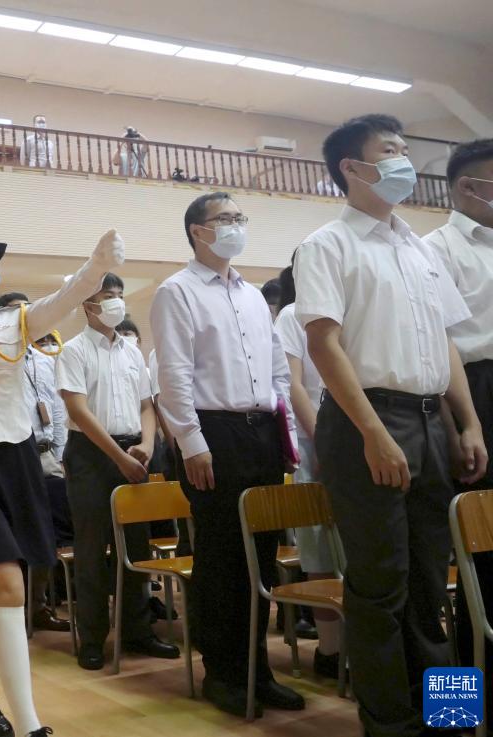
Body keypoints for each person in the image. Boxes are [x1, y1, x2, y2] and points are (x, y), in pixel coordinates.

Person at [294, 114, 487, 737]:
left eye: (406, 148)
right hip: (367, 422)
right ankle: (390, 724)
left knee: (435, 582)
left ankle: (452, 719)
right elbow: (324, 344)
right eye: (391, 150)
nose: (405, 159)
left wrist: (469, 424)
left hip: (431, 420)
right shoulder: (327, 245)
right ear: (353, 168)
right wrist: (374, 432)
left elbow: (446, 343)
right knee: (381, 587)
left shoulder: (419, 247)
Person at [0, 226, 124, 737]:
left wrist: (95, 267)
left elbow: (61, 302)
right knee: (5, 584)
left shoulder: (13, 323)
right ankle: (29, 725)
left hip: (15, 459)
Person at [151, 192, 304, 718]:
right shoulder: (177, 291)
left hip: (261, 432)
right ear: (198, 231)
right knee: (222, 558)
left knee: (261, 556)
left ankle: (259, 670)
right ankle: (223, 672)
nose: (237, 226)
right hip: (214, 433)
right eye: (225, 219)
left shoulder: (253, 296)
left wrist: (286, 434)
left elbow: (277, 370)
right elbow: (173, 375)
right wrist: (191, 442)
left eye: (240, 218)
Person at [58, 275, 180, 671]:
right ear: (88, 305)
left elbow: (147, 405)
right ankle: (93, 638)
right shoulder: (74, 350)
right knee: (92, 548)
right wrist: (118, 457)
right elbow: (78, 411)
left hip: (134, 451)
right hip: (91, 455)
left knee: (136, 546)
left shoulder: (131, 351)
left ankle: (137, 631)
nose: (116, 302)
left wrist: (147, 445)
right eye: (107, 296)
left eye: (119, 295)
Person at [422, 138, 493, 704]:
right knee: (472, 569)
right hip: (473, 394)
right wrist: (458, 429)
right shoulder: (434, 250)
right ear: (469, 185)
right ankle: (461, 709)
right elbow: (437, 349)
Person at [274, 262, 341, 677]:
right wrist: (324, 441)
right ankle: (330, 651)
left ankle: (357, 645)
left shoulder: (344, 309)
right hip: (313, 440)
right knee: (319, 546)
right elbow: (293, 384)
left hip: (353, 439)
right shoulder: (290, 315)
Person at [0, 291, 70, 633]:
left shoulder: (44, 358)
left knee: (44, 530)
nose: (23, 318)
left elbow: (56, 407)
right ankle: (8, 607)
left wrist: (61, 451)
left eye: (27, 311)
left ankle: (38, 605)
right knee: (13, 532)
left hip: (46, 453)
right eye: (15, 312)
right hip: (9, 454)